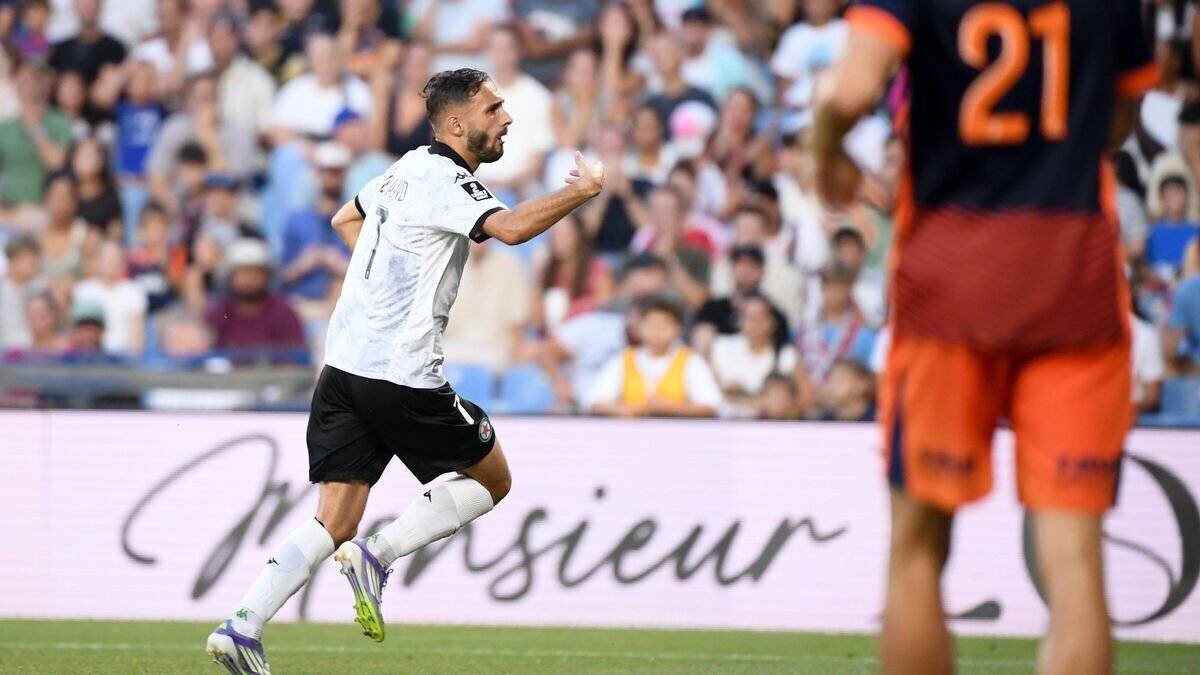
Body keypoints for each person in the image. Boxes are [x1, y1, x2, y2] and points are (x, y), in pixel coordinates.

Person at [206, 67, 605, 674]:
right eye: (493, 108)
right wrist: (582, 191)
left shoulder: (404, 169)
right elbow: (514, 229)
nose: (506, 117)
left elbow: (347, 220)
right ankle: (381, 553)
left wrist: (385, 278)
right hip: (401, 374)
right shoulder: (446, 178)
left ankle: (243, 625)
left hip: (342, 369)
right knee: (492, 480)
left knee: (334, 517)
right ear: (455, 123)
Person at [811, 2, 1158, 673]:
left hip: (949, 278)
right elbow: (1120, 120)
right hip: (1072, 273)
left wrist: (822, 152)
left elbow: (852, 90)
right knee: (1076, 562)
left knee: (917, 549)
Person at [586, 295, 722, 418]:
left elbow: (710, 406)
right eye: (651, 325)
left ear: (678, 329)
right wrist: (622, 410)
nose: (657, 331)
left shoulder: (690, 361)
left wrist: (670, 408)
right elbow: (594, 402)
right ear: (640, 328)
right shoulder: (623, 359)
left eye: (664, 325)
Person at [203, 238, 306, 361]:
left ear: (266, 276)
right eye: (243, 272)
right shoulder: (219, 313)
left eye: (256, 272)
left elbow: (295, 360)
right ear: (231, 277)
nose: (250, 278)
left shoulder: (284, 312)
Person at [709, 292, 797, 402]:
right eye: (749, 317)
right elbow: (707, 389)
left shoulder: (786, 354)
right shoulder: (721, 346)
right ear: (740, 320)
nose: (755, 323)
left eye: (760, 317)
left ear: (773, 322)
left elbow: (807, 396)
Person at [72, 239, 148, 355]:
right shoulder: (83, 290)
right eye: (106, 258)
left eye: (115, 258)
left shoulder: (133, 291)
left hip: (122, 360)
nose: (110, 262)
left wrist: (134, 362)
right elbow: (79, 332)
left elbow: (136, 337)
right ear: (97, 261)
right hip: (89, 359)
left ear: (122, 263)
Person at [47, 0, 127, 84]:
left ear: (100, 8)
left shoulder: (115, 49)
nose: (88, 10)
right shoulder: (61, 50)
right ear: (75, 9)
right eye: (84, 6)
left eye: (92, 6)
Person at [1145, 174, 1200, 278]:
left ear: (1187, 196)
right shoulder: (1152, 233)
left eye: (1178, 193)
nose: (1175, 198)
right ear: (1161, 198)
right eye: (1170, 193)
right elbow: (1147, 269)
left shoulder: (1196, 231)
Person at [0, 235, 43, 349]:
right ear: (12, 260)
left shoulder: (42, 289)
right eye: (27, 256)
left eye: (35, 256)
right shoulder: (3, 290)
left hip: (38, 354)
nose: (33, 261)